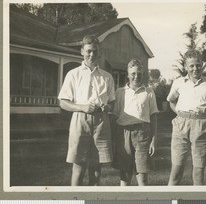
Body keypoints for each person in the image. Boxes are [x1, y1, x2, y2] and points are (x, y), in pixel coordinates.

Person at [58, 35, 115, 186]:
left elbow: (112, 103)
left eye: (95, 51)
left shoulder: (107, 77)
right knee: (79, 167)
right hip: (80, 121)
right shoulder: (73, 74)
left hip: (101, 123)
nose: (92, 55)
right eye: (88, 51)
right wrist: (81, 107)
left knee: (96, 168)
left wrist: (107, 107)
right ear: (82, 51)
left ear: (99, 52)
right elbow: (63, 103)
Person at [167, 49, 206, 185]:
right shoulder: (179, 82)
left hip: (202, 126)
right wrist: (181, 114)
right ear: (186, 67)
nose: (195, 68)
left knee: (198, 173)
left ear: (202, 64)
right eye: (191, 66)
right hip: (181, 126)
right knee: (176, 171)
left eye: (198, 65)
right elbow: (171, 101)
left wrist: (203, 114)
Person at [112, 58, 159, 186]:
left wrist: (153, 140)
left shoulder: (149, 92)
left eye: (139, 73)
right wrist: (113, 140)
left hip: (143, 134)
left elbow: (153, 117)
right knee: (125, 176)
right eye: (133, 73)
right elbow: (114, 117)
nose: (136, 76)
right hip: (123, 133)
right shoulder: (120, 93)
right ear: (128, 74)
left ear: (143, 74)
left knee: (142, 177)